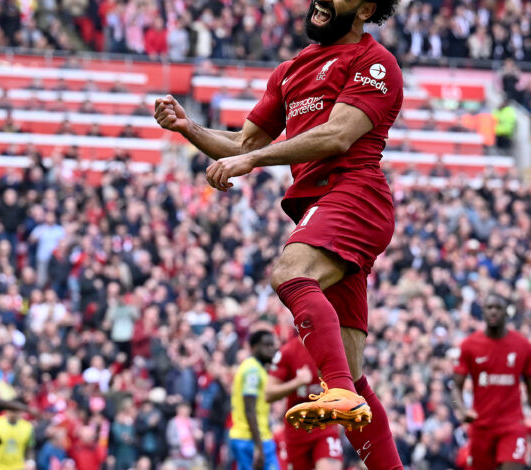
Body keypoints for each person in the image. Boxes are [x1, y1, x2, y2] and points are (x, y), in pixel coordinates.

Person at [155, 0, 404, 466]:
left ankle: (339, 392)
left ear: (366, 8)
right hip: (321, 209)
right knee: (352, 371)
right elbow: (242, 143)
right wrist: (189, 127)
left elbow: (337, 136)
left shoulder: (375, 62)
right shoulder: (290, 71)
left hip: (354, 194)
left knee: (290, 274)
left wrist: (252, 160)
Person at [451, 294, 531, 470]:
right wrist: (462, 410)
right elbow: (455, 387)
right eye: (489, 308)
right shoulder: (469, 345)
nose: (494, 312)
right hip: (481, 427)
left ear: (506, 313)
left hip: (512, 425)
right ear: (483, 312)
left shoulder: (522, 345)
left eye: (498, 308)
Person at [266, 335, 343, 470]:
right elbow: (268, 394)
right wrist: (297, 382)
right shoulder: (288, 352)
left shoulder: (334, 348)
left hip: (326, 425)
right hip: (297, 431)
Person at [230, 330, 279, 470]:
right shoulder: (252, 371)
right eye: (267, 345)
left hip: (248, 438)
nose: (272, 349)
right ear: (254, 347)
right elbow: (249, 410)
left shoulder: (256, 368)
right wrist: (259, 446)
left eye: (272, 345)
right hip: (251, 439)